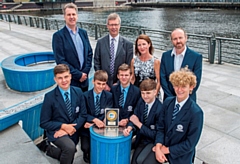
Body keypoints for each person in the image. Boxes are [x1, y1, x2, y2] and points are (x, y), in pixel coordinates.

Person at [152, 67, 204, 164]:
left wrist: (167, 150)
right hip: (162, 150)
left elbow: (190, 144)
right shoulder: (167, 102)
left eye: (183, 86)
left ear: (191, 87)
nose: (179, 90)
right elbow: (160, 127)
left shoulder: (196, 113)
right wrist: (158, 147)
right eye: (176, 85)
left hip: (180, 157)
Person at [40, 64, 87, 164]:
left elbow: (83, 114)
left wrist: (70, 129)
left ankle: (49, 149)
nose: (64, 80)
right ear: (55, 79)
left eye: (66, 77)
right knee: (69, 148)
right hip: (57, 131)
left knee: (70, 150)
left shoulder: (78, 92)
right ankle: (50, 146)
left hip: (72, 130)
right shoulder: (49, 97)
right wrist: (63, 126)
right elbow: (44, 122)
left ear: (70, 76)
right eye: (60, 78)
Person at [52, 3, 93, 92]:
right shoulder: (58, 36)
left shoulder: (83, 33)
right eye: (69, 14)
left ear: (77, 16)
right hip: (70, 82)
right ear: (64, 17)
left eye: (73, 14)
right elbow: (60, 60)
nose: (71, 17)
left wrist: (85, 72)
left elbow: (89, 53)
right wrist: (78, 75)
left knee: (84, 104)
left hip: (84, 80)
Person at [123, 79, 163, 164]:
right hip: (140, 138)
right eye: (143, 93)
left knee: (139, 161)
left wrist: (139, 124)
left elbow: (156, 134)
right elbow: (134, 117)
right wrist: (130, 127)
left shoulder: (160, 109)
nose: (145, 96)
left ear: (155, 92)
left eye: (148, 93)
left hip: (151, 142)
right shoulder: (141, 102)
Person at [160, 28, 202, 102]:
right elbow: (162, 78)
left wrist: (183, 96)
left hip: (188, 99)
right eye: (175, 39)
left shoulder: (196, 57)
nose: (178, 41)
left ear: (186, 38)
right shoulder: (165, 56)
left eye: (180, 38)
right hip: (169, 98)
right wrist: (170, 97)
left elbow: (196, 80)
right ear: (171, 40)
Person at [94, 12, 133, 90]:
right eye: (111, 25)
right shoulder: (100, 42)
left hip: (121, 85)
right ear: (107, 26)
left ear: (119, 25)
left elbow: (129, 65)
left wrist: (119, 82)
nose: (114, 27)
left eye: (116, 24)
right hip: (103, 86)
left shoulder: (128, 44)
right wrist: (103, 82)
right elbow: (97, 62)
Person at [80, 70, 113, 163]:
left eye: (103, 84)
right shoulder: (85, 96)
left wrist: (101, 122)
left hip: (102, 126)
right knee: (85, 148)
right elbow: (83, 113)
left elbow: (108, 112)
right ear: (93, 81)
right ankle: (87, 153)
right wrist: (94, 120)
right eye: (98, 83)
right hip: (87, 128)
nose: (101, 86)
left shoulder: (109, 96)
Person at [131, 34, 161, 98]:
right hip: (137, 93)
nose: (142, 47)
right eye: (139, 45)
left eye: (144, 44)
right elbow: (132, 78)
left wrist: (155, 94)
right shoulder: (134, 61)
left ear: (149, 44)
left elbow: (159, 81)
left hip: (151, 94)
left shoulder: (155, 61)